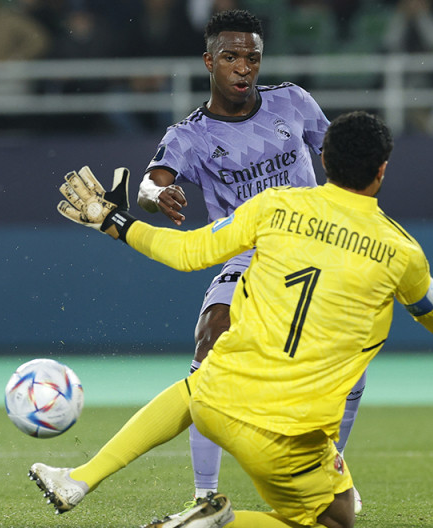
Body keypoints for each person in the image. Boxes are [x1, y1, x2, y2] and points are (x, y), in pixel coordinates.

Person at [33, 110, 433, 528]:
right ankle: (219, 524)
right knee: (336, 518)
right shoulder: (400, 252)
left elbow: (186, 252)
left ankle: (81, 478)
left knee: (195, 385)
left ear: (323, 158)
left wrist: (114, 220)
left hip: (216, 401)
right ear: (383, 169)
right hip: (286, 435)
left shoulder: (275, 206)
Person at [134, 8, 366, 509]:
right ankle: (204, 497)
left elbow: (339, 160)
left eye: (252, 58)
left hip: (312, 252)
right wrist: (158, 197)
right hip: (246, 256)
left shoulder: (294, 104)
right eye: (232, 57)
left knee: (348, 371)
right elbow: (151, 183)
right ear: (209, 62)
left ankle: (327, 475)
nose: (244, 67)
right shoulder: (189, 136)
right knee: (211, 340)